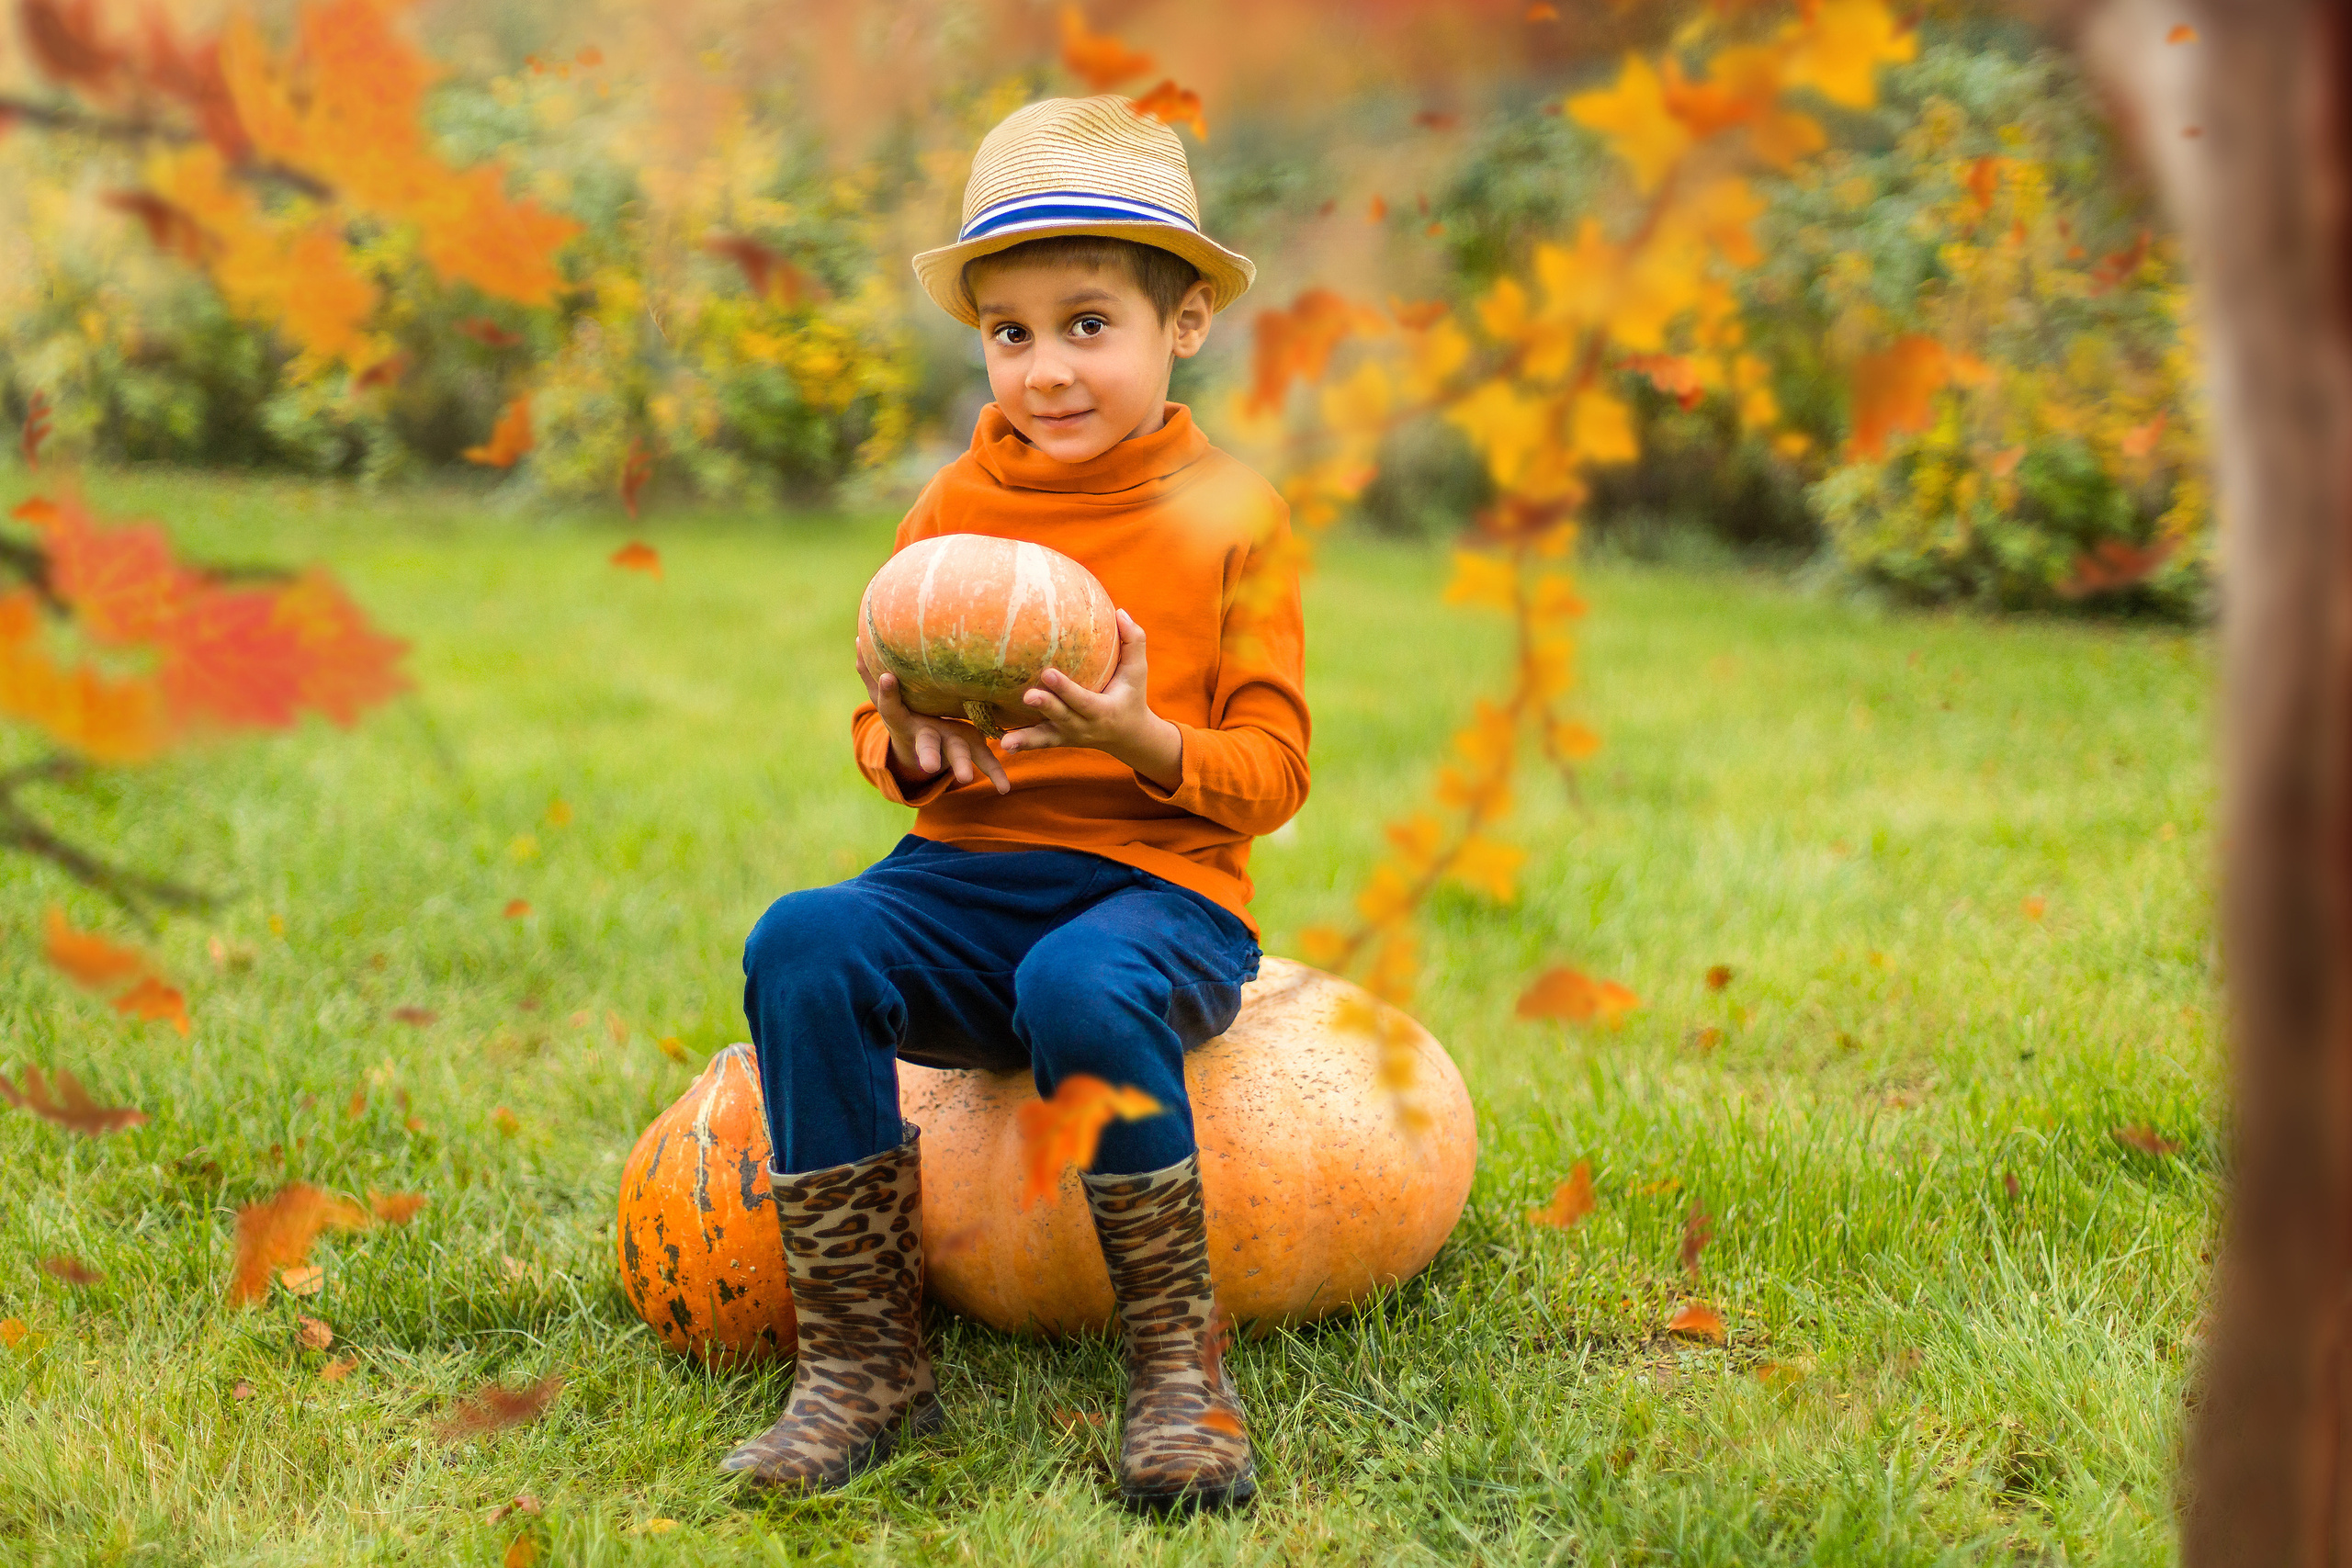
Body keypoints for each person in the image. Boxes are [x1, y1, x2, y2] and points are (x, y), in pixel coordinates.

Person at [720, 96, 1308, 1514]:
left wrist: (1142, 736)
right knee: (803, 940)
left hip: (1160, 897)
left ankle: (1179, 1372)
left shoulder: (1234, 516)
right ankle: (866, 1368)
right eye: (1011, 331)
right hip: (962, 882)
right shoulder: (952, 509)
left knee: (1082, 980)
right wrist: (911, 746)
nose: (1044, 369)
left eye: (1088, 323)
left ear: (1184, 326)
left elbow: (1274, 774)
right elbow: (884, 716)